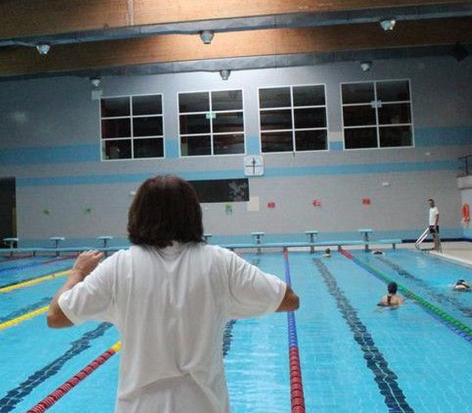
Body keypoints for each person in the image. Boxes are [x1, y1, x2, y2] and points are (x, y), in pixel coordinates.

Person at [47, 175, 299, 413]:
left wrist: (78, 272)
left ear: (137, 214)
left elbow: (56, 317)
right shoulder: (220, 262)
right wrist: (230, 303)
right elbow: (289, 300)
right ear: (193, 214)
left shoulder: (119, 267)